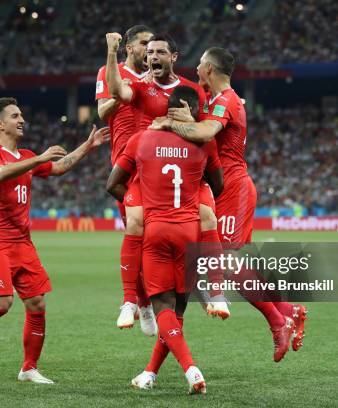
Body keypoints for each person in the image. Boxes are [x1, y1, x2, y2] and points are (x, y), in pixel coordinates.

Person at [153, 47, 306, 361]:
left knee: (225, 262)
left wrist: (172, 125)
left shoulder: (227, 100)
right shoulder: (213, 99)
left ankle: (279, 322)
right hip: (224, 190)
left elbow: (208, 131)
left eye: (199, 64)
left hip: (233, 187)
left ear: (209, 68)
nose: (195, 69)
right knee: (236, 264)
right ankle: (290, 311)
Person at [0, 97, 109, 384]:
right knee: (1, 303)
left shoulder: (26, 154)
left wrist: (89, 146)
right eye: (14, 116)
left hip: (22, 242)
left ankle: (29, 368)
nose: (21, 119)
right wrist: (37, 159)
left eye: (21, 114)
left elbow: (59, 168)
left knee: (36, 303)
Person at [107, 86, 223, 393]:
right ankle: (150, 373)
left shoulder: (142, 138)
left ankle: (191, 368)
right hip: (191, 232)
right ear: (193, 110)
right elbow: (219, 185)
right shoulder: (204, 142)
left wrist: (139, 202)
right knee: (177, 312)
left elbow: (112, 183)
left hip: (156, 231)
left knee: (163, 309)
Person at [105, 32, 229, 320]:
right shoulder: (139, 87)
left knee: (209, 217)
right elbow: (117, 93)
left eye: (159, 52)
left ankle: (217, 292)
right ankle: (131, 302)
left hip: (186, 172)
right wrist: (112, 53)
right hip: (147, 170)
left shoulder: (191, 91)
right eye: (149, 53)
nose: (152, 57)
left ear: (173, 57)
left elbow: (207, 124)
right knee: (135, 219)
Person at [96, 25, 156, 334]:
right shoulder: (110, 72)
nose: (149, 48)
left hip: (157, 165)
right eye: (144, 43)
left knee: (155, 240)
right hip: (126, 168)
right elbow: (104, 111)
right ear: (129, 48)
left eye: (153, 43)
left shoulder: (158, 75)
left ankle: (149, 302)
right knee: (138, 237)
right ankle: (141, 303)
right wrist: (128, 90)